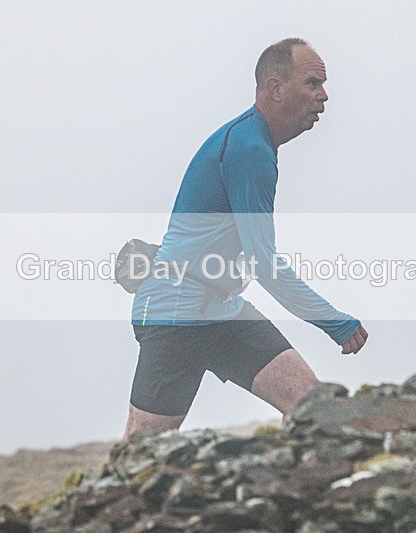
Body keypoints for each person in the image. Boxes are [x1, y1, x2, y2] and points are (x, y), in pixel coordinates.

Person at [122, 38, 368, 439]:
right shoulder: (249, 149)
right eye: (312, 83)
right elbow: (264, 264)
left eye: (323, 85)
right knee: (140, 449)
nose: (323, 96)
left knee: (313, 410)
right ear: (274, 88)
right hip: (177, 313)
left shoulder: (256, 145)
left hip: (222, 308)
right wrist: (335, 323)